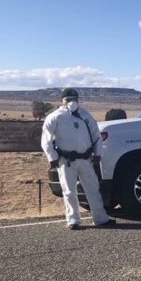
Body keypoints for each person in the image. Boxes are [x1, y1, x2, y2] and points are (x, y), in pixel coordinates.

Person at [41, 88, 116, 230]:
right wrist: (52, 157)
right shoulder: (54, 117)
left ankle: (100, 219)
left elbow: (96, 136)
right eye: (68, 99)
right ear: (61, 101)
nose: (71, 102)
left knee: (93, 189)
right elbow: (46, 140)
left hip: (86, 160)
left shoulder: (85, 115)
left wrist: (98, 153)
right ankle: (73, 220)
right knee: (69, 191)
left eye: (74, 99)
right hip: (66, 161)